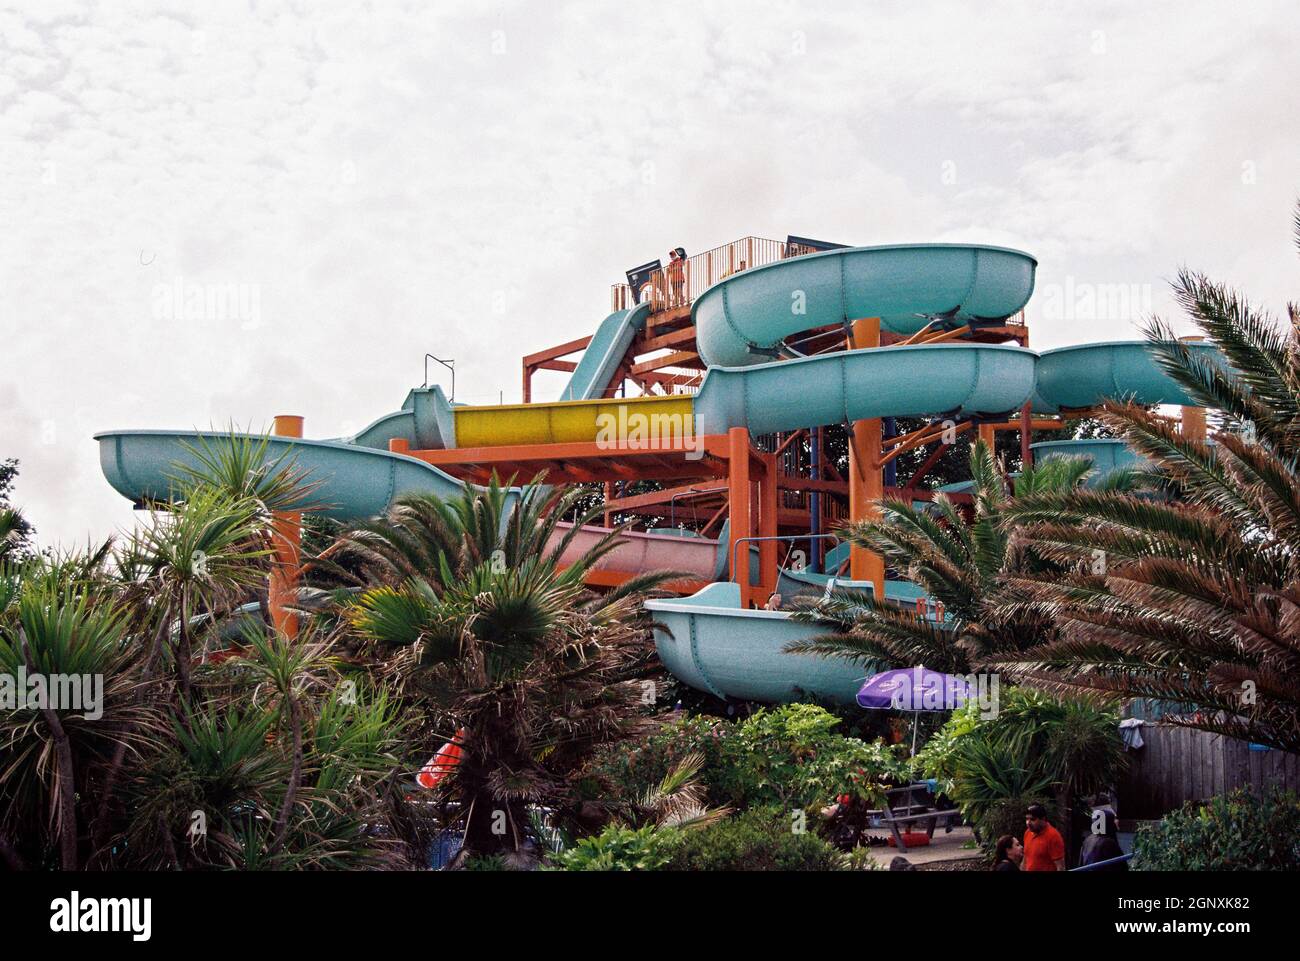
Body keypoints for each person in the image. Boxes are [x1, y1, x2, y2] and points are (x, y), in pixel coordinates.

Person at [1022, 803, 1066, 871]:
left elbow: (1060, 867)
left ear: (1043, 819)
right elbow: (1025, 860)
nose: (1028, 823)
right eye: (1027, 819)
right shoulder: (1027, 833)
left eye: (1032, 819)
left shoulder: (1053, 836)